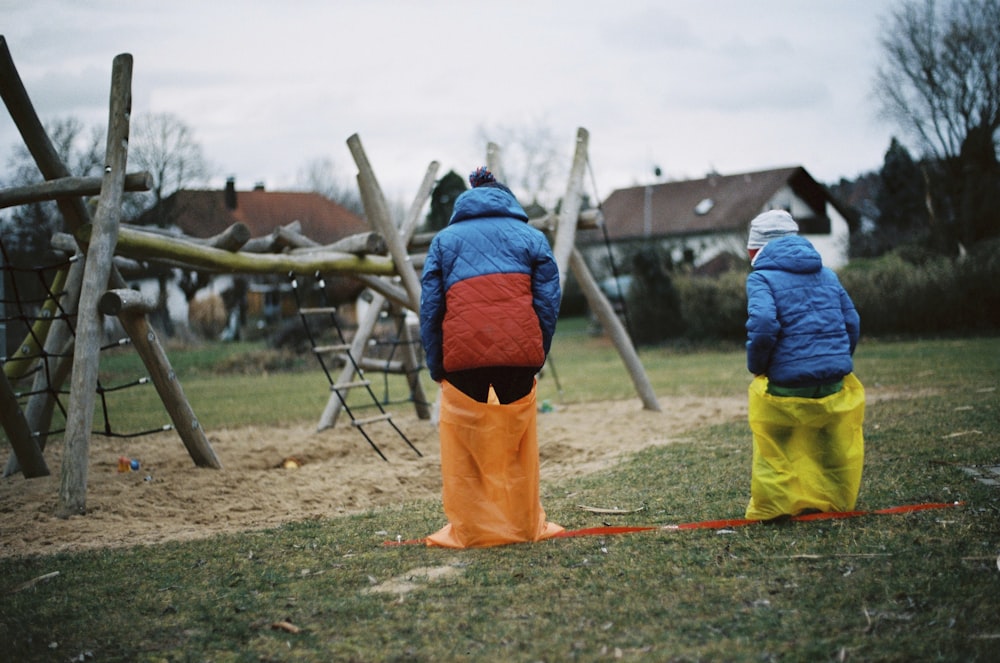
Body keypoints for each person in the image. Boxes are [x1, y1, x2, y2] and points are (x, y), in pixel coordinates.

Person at [419, 166, 562, 547]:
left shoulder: (444, 242)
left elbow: (431, 309)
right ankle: (521, 524)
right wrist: (536, 351)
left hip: (462, 356)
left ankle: (472, 528)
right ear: (506, 197)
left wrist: (437, 363)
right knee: (518, 447)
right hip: (519, 354)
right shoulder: (532, 237)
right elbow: (548, 304)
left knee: (465, 448)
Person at [743, 209, 865, 520]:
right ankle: (833, 501)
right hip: (834, 380)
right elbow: (852, 320)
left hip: (787, 381)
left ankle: (775, 509)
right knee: (829, 442)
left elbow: (763, 324)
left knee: (777, 446)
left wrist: (758, 365)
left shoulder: (760, 277)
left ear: (755, 249)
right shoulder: (827, 274)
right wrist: (838, 357)